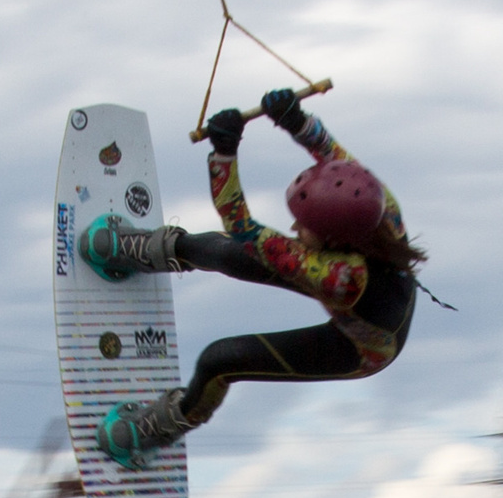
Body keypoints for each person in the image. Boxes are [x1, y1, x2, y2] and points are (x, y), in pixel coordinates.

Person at [79, 88, 424, 469]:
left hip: (363, 347)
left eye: (303, 226)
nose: (293, 225)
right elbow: (331, 154)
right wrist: (295, 119)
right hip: (362, 296)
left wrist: (223, 155)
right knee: (224, 254)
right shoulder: (381, 207)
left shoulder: (336, 276)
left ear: (330, 240)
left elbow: (241, 224)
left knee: (220, 360)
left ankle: (161, 428)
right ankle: (149, 250)